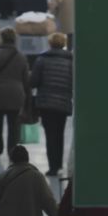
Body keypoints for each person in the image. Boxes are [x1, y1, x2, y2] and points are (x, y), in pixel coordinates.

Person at [0, 27, 31, 158]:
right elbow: (26, 80)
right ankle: (12, 153)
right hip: (16, 96)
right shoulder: (21, 57)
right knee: (14, 127)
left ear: (1, 38)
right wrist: (28, 99)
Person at [29, 32, 73, 176]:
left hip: (46, 103)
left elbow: (33, 82)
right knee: (60, 133)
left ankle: (52, 167)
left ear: (50, 43)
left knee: (50, 134)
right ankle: (59, 164)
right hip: (63, 102)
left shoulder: (42, 60)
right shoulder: (71, 61)